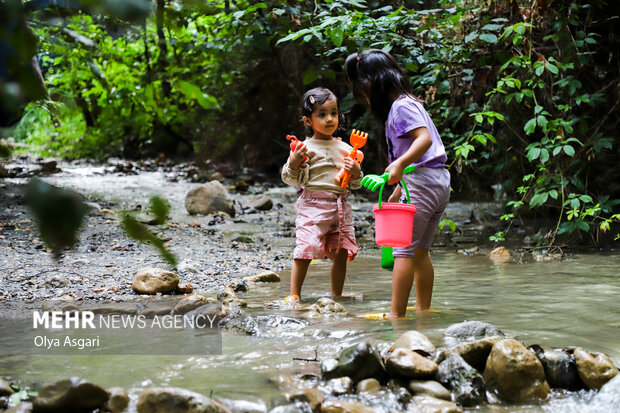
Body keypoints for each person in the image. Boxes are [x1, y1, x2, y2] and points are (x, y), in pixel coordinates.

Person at [344, 49, 450, 317]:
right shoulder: (409, 103)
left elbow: (423, 140)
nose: (365, 98)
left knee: (403, 251)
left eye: (362, 92)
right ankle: (423, 310)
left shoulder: (401, 106)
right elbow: (424, 152)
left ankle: (396, 315)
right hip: (437, 180)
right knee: (420, 252)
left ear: (371, 85)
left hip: (422, 182)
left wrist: (399, 165)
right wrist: (399, 188)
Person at [281, 87, 363, 302]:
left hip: (340, 206)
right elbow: (290, 179)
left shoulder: (347, 148)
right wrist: (293, 162)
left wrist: (355, 173)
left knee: (341, 252)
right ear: (308, 121)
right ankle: (294, 294)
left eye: (334, 113)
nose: (330, 119)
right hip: (313, 205)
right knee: (305, 248)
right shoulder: (304, 147)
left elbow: (354, 185)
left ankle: (337, 295)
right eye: (322, 114)